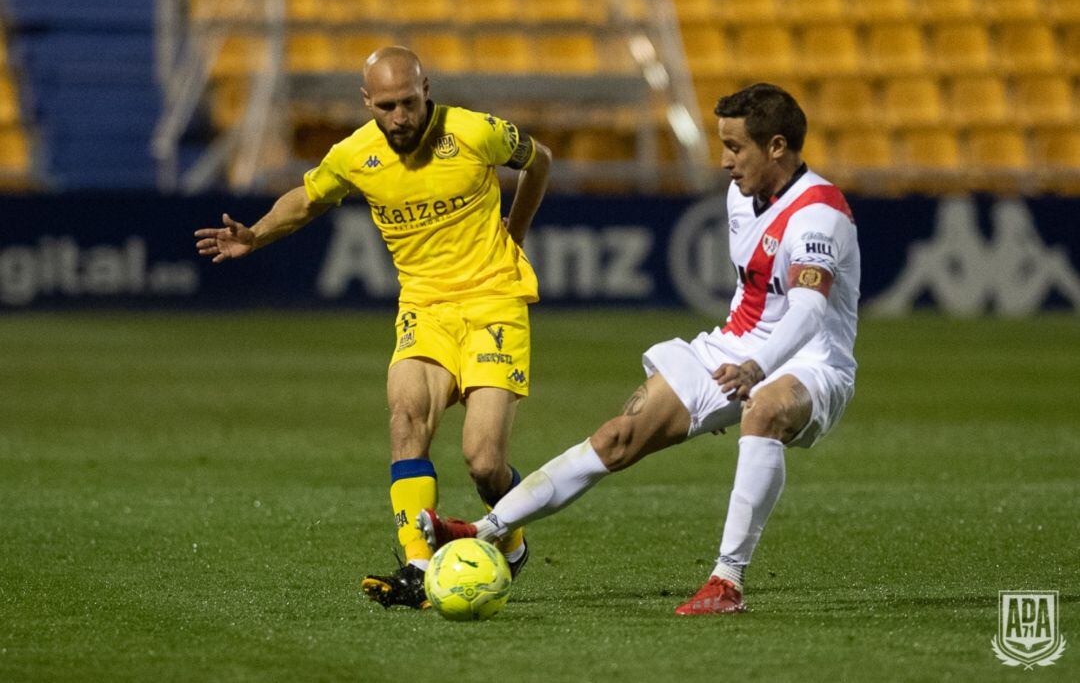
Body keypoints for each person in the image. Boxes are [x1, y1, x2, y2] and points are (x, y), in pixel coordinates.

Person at [420, 83, 859, 615]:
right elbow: (754, 294)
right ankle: (487, 527)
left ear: (777, 147)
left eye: (736, 148)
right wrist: (737, 358)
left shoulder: (819, 212)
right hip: (733, 347)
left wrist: (757, 367)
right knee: (617, 436)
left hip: (813, 360)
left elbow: (809, 312)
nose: (723, 162)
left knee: (764, 410)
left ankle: (727, 581)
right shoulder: (741, 195)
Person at [194, 46, 552, 610]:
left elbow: (540, 161)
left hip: (494, 302)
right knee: (406, 415)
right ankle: (416, 563)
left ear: (426, 89)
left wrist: (517, 232)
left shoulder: (475, 132)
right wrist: (255, 235)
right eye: (386, 106)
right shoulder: (355, 153)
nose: (400, 117)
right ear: (367, 102)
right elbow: (307, 199)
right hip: (424, 309)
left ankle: (511, 535)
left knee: (483, 463)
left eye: (409, 103)